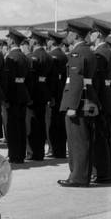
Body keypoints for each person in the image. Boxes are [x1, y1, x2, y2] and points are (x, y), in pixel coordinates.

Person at [58, 18, 98, 187]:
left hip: (79, 102)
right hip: (87, 99)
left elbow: (76, 80)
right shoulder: (87, 51)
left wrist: (72, 106)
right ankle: (80, 174)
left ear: (74, 35)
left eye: (68, 33)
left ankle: (78, 177)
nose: (66, 36)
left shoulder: (78, 53)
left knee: (78, 141)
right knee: (81, 140)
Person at [90, 21, 111, 183]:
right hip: (106, 96)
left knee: (100, 136)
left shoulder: (101, 53)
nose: (90, 36)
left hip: (100, 97)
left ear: (98, 35)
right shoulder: (108, 51)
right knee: (104, 135)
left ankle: (102, 173)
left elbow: (97, 80)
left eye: (92, 33)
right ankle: (105, 172)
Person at [3, 29, 31, 164]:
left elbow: (8, 79)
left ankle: (14, 155)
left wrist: (6, 98)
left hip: (13, 94)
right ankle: (20, 154)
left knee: (13, 127)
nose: (7, 40)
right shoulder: (24, 56)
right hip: (23, 92)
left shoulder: (11, 57)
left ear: (12, 41)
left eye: (8, 38)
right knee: (21, 125)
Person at [26, 30, 52, 160]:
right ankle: (40, 151)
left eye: (30, 39)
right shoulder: (48, 56)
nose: (29, 41)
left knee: (32, 124)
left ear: (35, 41)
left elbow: (31, 79)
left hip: (34, 93)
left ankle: (33, 152)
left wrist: (28, 96)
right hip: (44, 91)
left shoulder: (32, 56)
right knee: (41, 124)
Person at [46, 30, 68, 158]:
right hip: (63, 92)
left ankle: (55, 149)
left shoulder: (53, 56)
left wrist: (51, 96)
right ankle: (60, 150)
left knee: (53, 123)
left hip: (55, 93)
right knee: (60, 122)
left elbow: (52, 79)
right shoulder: (64, 55)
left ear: (51, 41)